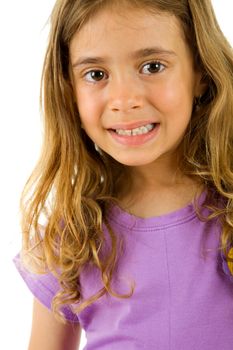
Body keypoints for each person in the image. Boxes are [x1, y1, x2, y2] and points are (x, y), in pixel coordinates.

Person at [13, 0, 233, 349]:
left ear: (201, 73)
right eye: (96, 74)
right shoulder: (71, 236)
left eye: (152, 66)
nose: (124, 99)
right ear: (69, 89)